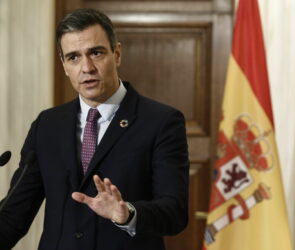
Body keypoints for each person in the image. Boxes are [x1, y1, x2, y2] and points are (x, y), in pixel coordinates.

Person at [0, 8, 189, 250]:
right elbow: (14, 216)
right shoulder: (47, 125)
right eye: (74, 57)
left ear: (117, 53)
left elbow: (175, 212)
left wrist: (127, 214)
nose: (86, 67)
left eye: (96, 53)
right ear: (64, 65)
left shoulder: (161, 122)